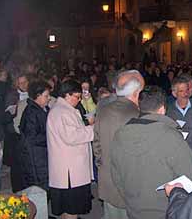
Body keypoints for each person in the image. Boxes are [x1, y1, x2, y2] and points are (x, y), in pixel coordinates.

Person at [110, 86, 192, 219]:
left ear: (139, 107)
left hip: (134, 208)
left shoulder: (119, 134)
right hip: (166, 210)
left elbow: (116, 176)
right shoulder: (171, 136)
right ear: (163, 109)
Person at [93, 70, 145, 219]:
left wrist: (102, 165)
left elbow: (96, 145)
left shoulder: (103, 110)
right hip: (130, 184)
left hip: (108, 179)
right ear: (136, 92)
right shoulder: (137, 115)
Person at [47, 80, 95, 219]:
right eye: (77, 96)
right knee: (71, 210)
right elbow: (72, 136)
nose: (79, 100)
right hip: (70, 174)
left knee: (69, 210)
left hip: (70, 170)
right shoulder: (62, 112)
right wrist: (93, 129)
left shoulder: (63, 110)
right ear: (67, 95)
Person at [15, 81, 51, 193]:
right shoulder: (31, 112)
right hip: (36, 159)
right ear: (37, 96)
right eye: (46, 96)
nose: (49, 98)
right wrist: (51, 137)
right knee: (39, 189)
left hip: (41, 156)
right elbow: (31, 138)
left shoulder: (41, 109)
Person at [166, 76, 192, 160]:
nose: (185, 94)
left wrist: (181, 131)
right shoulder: (168, 111)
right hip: (175, 153)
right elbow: (168, 135)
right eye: (181, 91)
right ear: (174, 93)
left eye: (187, 90)